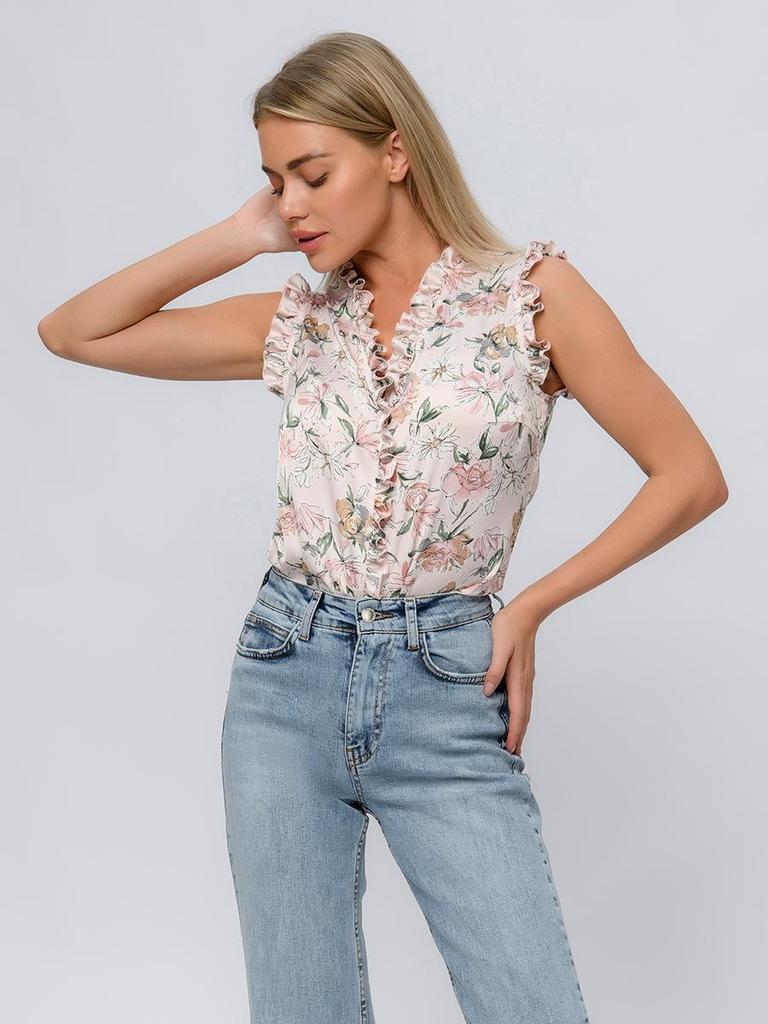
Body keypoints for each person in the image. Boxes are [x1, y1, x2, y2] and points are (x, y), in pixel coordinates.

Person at [38, 29, 728, 1024]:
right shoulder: (300, 317)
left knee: (530, 1005)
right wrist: (239, 234)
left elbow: (691, 476)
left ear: (395, 152)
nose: (292, 203)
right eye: (276, 181)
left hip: (446, 681)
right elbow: (72, 331)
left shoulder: (532, 297)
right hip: (285, 673)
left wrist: (530, 605)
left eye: (313, 174)